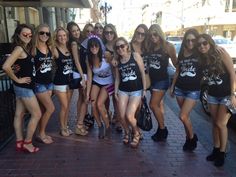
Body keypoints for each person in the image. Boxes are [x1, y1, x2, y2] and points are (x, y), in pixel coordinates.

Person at [197, 33, 236, 167]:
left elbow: (232, 73)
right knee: (214, 123)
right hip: (212, 95)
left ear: (210, 43)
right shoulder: (202, 59)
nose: (202, 46)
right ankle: (216, 149)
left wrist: (233, 94)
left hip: (226, 95)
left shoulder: (220, 53)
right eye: (199, 44)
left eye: (205, 43)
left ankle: (222, 152)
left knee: (221, 124)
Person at [3, 24, 41, 153]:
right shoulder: (19, 49)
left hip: (21, 87)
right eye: (25, 34)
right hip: (23, 87)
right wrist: (18, 79)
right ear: (18, 34)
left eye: (30, 35)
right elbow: (6, 66)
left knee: (19, 114)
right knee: (37, 114)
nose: (28, 37)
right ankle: (27, 142)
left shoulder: (23, 48)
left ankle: (19, 142)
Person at [170, 28, 200, 151]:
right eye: (188, 40)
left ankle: (192, 138)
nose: (190, 43)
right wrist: (172, 86)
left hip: (193, 90)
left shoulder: (199, 53)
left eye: (193, 40)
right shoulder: (182, 53)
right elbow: (178, 71)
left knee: (182, 116)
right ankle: (188, 138)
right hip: (180, 89)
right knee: (185, 117)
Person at [146, 24, 177, 142]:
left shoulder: (168, 46)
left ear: (160, 33)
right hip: (151, 81)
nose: (153, 37)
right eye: (151, 35)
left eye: (155, 34)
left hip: (162, 81)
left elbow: (176, 65)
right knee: (157, 106)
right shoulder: (150, 47)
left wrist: (174, 84)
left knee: (153, 105)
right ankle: (160, 129)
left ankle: (163, 130)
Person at [114, 37, 146, 148]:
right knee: (122, 116)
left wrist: (144, 90)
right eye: (117, 47)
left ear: (127, 46)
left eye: (122, 46)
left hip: (136, 91)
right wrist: (115, 91)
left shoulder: (135, 56)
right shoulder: (118, 61)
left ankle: (136, 133)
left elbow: (142, 73)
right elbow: (118, 78)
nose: (120, 49)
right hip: (123, 90)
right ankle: (127, 132)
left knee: (129, 115)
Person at [86, 35, 114, 139]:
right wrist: (87, 93)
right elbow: (89, 77)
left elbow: (114, 68)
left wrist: (117, 85)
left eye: (96, 46)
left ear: (99, 46)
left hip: (108, 82)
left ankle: (107, 126)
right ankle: (100, 125)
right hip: (96, 81)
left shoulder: (106, 55)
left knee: (99, 104)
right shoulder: (89, 59)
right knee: (93, 104)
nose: (94, 48)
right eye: (91, 46)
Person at [31, 24, 55, 144]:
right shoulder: (33, 48)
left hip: (49, 83)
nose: (45, 35)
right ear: (37, 33)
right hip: (39, 83)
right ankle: (41, 134)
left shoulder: (50, 47)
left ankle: (38, 133)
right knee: (51, 108)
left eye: (47, 33)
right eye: (42, 33)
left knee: (43, 108)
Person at [67, 21, 87, 136]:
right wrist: (83, 77)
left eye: (77, 30)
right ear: (70, 33)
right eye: (73, 31)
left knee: (81, 97)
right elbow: (77, 61)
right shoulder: (74, 43)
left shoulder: (79, 42)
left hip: (82, 73)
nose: (76, 32)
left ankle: (80, 122)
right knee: (85, 98)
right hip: (80, 73)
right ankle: (79, 125)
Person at [52, 27, 73, 137]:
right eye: (60, 35)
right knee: (64, 106)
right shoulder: (54, 49)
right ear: (56, 37)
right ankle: (62, 128)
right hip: (59, 82)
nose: (62, 37)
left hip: (69, 82)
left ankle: (66, 125)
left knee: (68, 106)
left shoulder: (69, 48)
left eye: (64, 35)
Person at [102, 23, 121, 132]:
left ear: (114, 32)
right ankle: (109, 115)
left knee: (116, 98)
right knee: (105, 100)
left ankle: (118, 120)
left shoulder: (118, 44)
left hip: (117, 77)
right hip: (106, 77)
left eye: (111, 32)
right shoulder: (102, 45)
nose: (109, 34)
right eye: (106, 32)